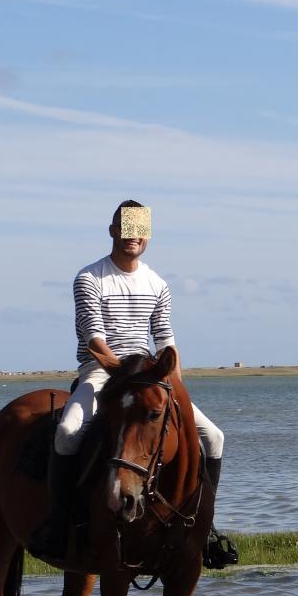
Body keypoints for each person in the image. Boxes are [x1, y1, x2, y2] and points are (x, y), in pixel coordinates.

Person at [28, 200, 236, 567]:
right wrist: (125, 375)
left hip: (149, 375)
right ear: (112, 231)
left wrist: (174, 384)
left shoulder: (157, 283)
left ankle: (205, 530)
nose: (132, 237)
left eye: (139, 230)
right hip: (101, 371)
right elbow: (95, 340)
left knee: (214, 437)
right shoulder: (90, 278)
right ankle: (59, 524)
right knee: (68, 431)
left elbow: (165, 337)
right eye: (125, 229)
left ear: (148, 235)